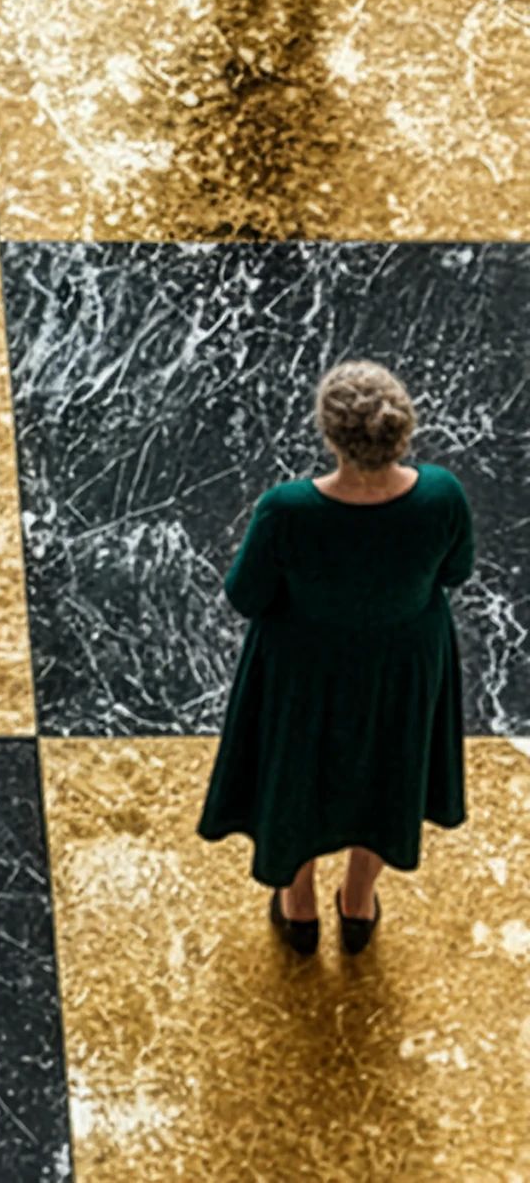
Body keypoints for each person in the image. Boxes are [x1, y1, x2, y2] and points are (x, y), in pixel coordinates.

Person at [199, 361, 471, 956]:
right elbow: (456, 572)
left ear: (331, 437)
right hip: (403, 667)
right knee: (388, 775)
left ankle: (299, 910)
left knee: (296, 776)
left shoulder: (287, 509)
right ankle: (357, 903)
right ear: (403, 430)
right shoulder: (443, 495)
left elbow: (246, 596)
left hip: (305, 674)